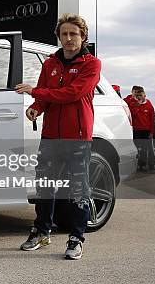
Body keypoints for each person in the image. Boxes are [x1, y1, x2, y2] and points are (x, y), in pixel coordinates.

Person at [15, 13, 101, 260]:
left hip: (78, 137)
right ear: (59, 36)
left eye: (74, 33)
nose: (69, 38)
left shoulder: (91, 64)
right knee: (44, 187)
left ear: (83, 36)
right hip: (51, 135)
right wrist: (35, 107)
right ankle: (42, 232)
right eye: (64, 34)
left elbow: (73, 93)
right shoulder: (50, 63)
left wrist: (36, 91)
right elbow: (45, 97)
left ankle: (76, 238)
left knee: (77, 189)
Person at [127, 87, 155, 172]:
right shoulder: (133, 104)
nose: (139, 97)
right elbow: (132, 114)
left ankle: (145, 165)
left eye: (141, 95)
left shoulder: (149, 105)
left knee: (145, 149)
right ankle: (139, 165)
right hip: (136, 130)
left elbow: (152, 120)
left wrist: (152, 132)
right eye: (137, 95)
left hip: (146, 131)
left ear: (144, 95)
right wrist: (137, 106)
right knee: (138, 148)